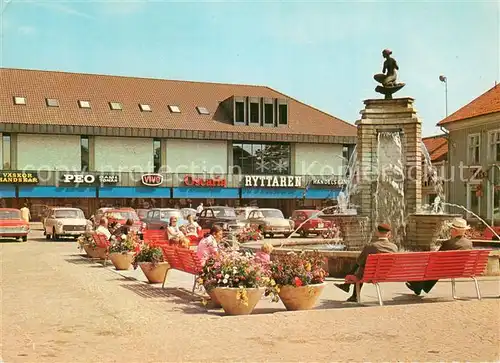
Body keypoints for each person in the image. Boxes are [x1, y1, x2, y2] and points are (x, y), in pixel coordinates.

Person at [406, 217, 473, 296]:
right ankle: (419, 286)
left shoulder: (448, 243)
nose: (450, 230)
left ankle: (416, 284)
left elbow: (437, 257)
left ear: (454, 230)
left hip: (446, 270)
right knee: (437, 267)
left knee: (431, 266)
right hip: (461, 269)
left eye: (451, 228)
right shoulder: (469, 243)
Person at [335, 223, 398, 302]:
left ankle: (351, 291)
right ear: (389, 234)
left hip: (371, 275)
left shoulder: (371, 246)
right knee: (363, 267)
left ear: (377, 232)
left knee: (361, 266)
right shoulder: (394, 247)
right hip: (387, 274)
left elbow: (359, 262)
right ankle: (348, 287)